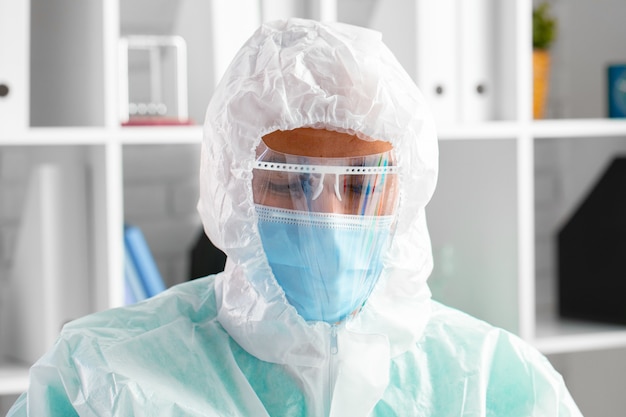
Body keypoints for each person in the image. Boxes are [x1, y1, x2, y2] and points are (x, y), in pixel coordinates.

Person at [7, 18, 582, 416]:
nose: (328, 223)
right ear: (230, 187)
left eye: (361, 185)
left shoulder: (492, 383)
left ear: (406, 195)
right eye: (289, 181)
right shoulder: (101, 381)